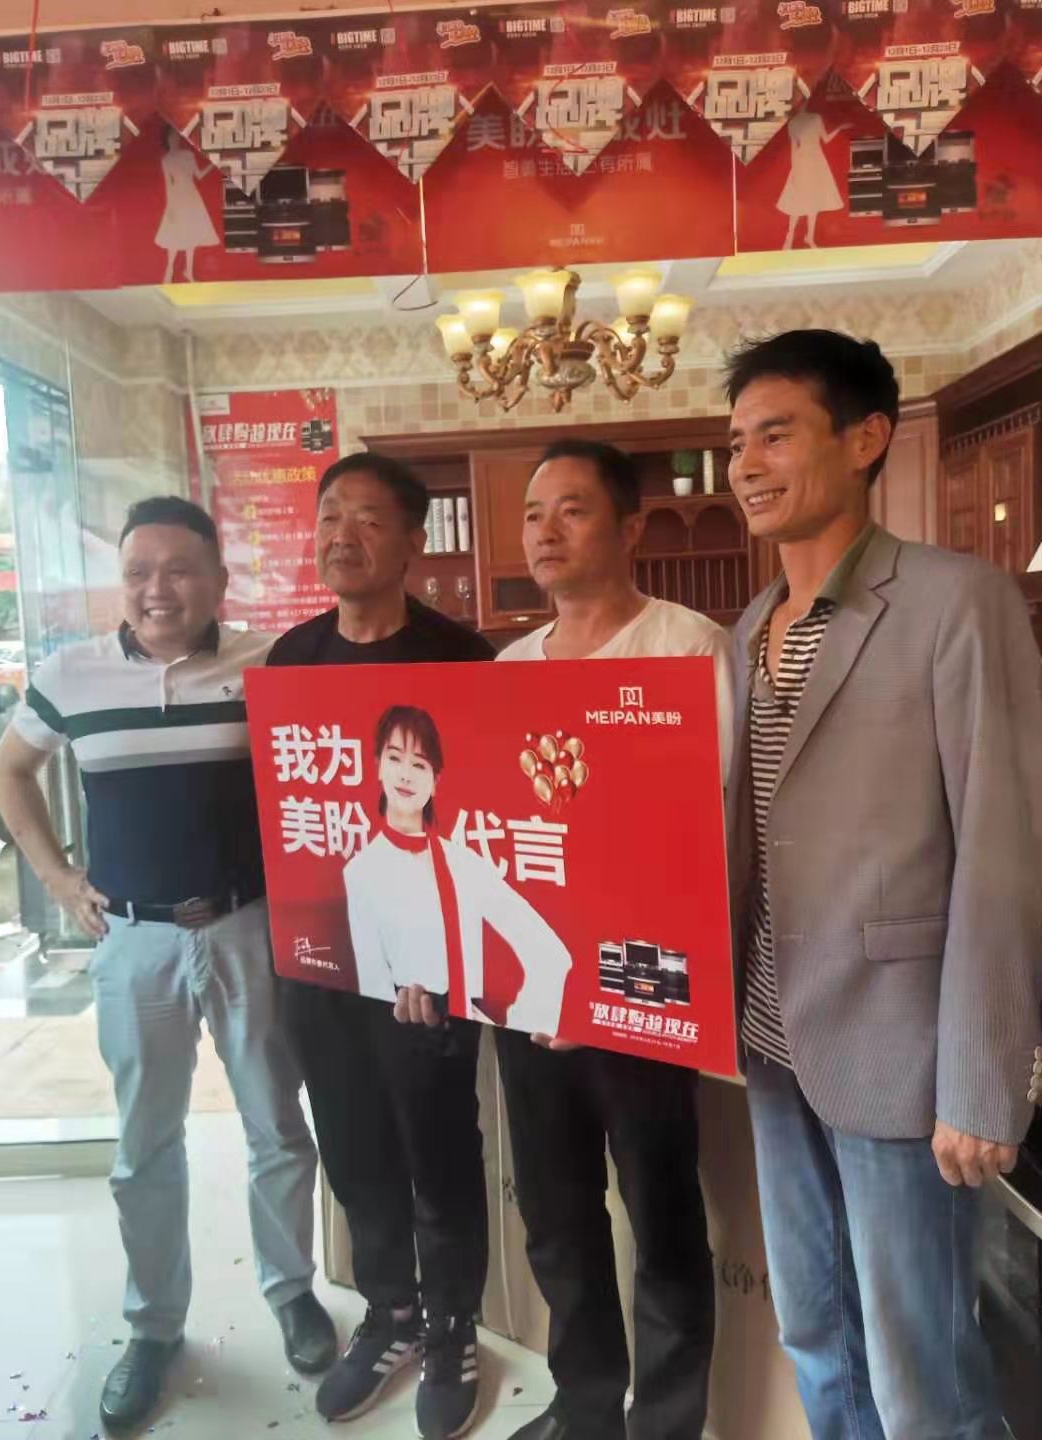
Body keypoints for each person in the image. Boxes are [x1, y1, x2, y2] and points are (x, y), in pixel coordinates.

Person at [723, 328, 1042, 1440]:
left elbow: (1005, 848)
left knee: (924, 1376)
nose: (747, 465)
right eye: (736, 442)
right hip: (771, 1044)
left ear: (865, 440)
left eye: (775, 434)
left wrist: (983, 1081)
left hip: (902, 1056)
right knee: (818, 1335)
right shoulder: (749, 630)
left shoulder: (957, 602)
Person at [0, 497, 336, 1436]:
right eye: (139, 571)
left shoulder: (268, 663)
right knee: (145, 1143)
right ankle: (152, 1327)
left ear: (219, 580)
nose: (157, 589)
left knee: (276, 1124)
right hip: (133, 941)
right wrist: (59, 878)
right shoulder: (72, 675)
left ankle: (292, 1292)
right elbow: (8, 770)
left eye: (179, 569)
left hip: (246, 928)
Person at [408, 439, 732, 1440]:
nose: (545, 531)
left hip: (642, 986)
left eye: (573, 510)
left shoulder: (687, 647)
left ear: (631, 528)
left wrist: (600, 985)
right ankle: (586, 1406)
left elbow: (708, 832)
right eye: (533, 513)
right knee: (556, 1213)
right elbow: (498, 839)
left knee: (662, 1213)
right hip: (534, 995)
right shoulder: (510, 668)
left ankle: (667, 1421)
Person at [267, 453, 495, 1440]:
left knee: (436, 1147)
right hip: (325, 962)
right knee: (354, 1146)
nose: (342, 536)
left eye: (367, 519)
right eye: (329, 516)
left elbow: (485, 826)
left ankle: (451, 1327)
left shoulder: (462, 659)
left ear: (413, 541)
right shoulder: (291, 658)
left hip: (424, 976)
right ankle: (390, 1312)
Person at [344, 703, 572, 1035]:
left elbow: (552, 955)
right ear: (378, 766)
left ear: (435, 781)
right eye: (394, 758)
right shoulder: (359, 873)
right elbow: (372, 985)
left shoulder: (464, 863)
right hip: (398, 1035)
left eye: (419, 764)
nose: (405, 774)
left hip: (467, 1036)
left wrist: (525, 1023)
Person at [777, 108, 848, 250]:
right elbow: (793, 148)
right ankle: (790, 236)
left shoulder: (816, 117)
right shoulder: (793, 122)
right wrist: (795, 170)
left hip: (817, 161)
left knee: (814, 199)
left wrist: (839, 128)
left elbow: (825, 139)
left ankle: (809, 237)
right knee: (798, 200)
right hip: (802, 162)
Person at [155, 127, 218, 283]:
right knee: (175, 234)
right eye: (172, 137)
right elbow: (168, 185)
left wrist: (213, 164)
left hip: (192, 197)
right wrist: (170, 207)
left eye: (177, 137)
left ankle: (188, 272)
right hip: (177, 198)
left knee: (191, 234)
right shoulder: (166, 160)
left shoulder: (188, 155)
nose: (175, 140)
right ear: (167, 140)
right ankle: (170, 268)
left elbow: (199, 175)